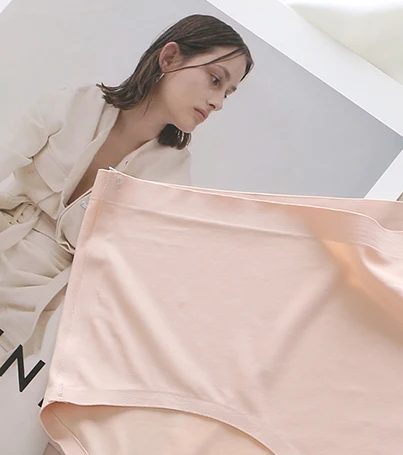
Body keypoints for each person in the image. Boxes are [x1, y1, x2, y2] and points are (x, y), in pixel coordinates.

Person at [0, 14, 253, 358]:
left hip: (47, 309)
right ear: (170, 57)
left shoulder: (172, 178)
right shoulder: (74, 103)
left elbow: (139, 275)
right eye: (214, 79)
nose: (218, 102)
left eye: (227, 93)